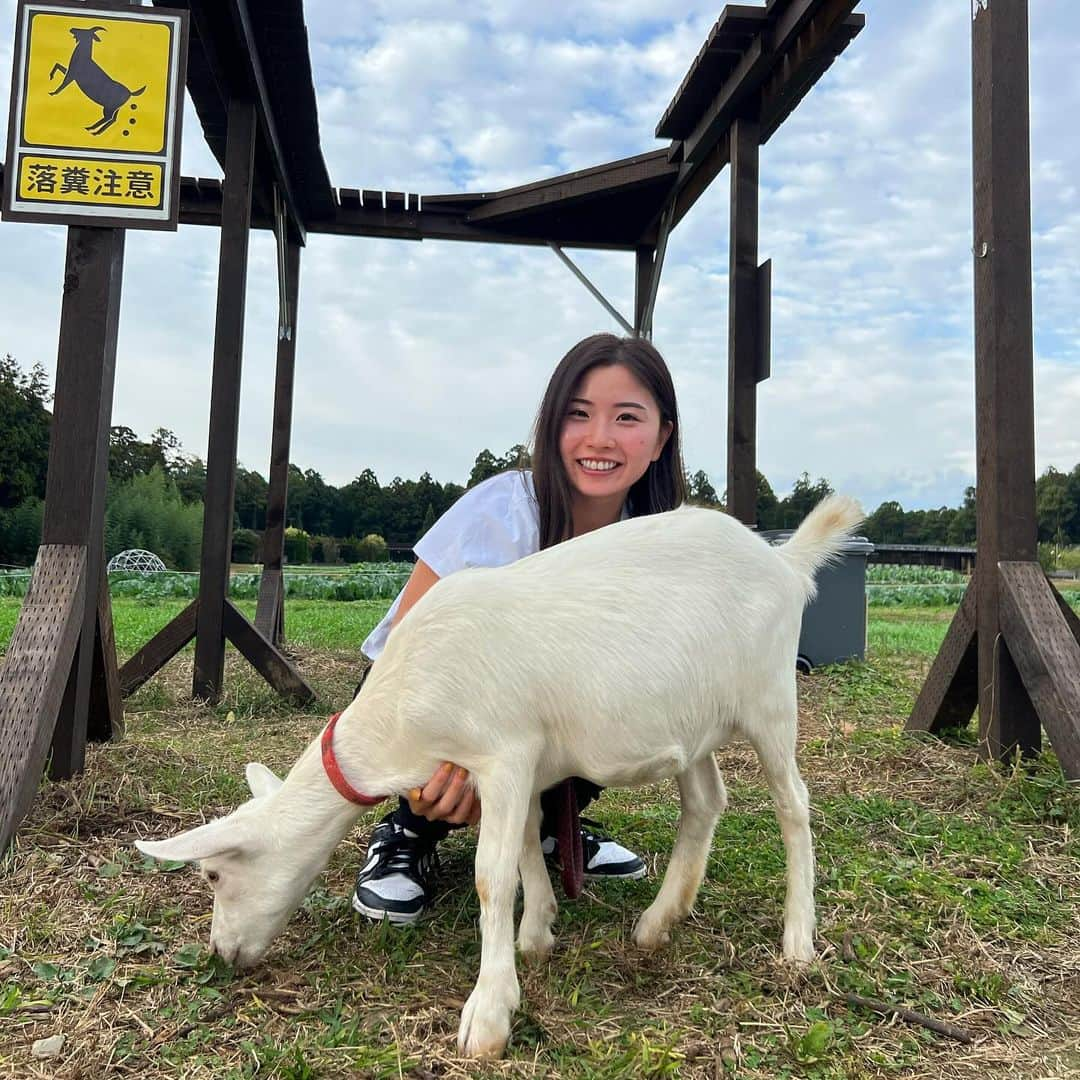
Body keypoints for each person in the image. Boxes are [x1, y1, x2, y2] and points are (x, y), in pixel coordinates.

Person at [352, 332, 688, 923]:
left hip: (546, 720)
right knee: (439, 777)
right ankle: (405, 836)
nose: (599, 438)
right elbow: (401, 654)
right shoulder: (502, 511)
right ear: (550, 427)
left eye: (626, 418)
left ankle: (554, 826)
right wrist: (431, 768)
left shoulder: (658, 545)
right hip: (433, 701)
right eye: (577, 415)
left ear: (661, 438)